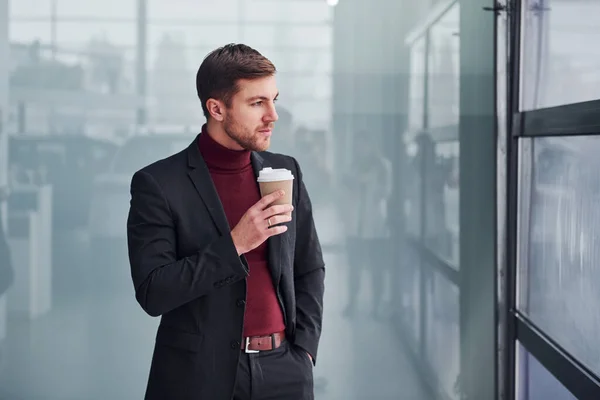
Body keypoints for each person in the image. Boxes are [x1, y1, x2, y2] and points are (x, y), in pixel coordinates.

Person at [126, 44, 325, 400]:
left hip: (285, 371)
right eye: (257, 103)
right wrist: (235, 244)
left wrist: (304, 350)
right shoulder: (158, 184)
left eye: (274, 99)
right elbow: (153, 292)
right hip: (196, 377)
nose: (273, 115)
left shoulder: (285, 171)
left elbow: (308, 267)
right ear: (216, 108)